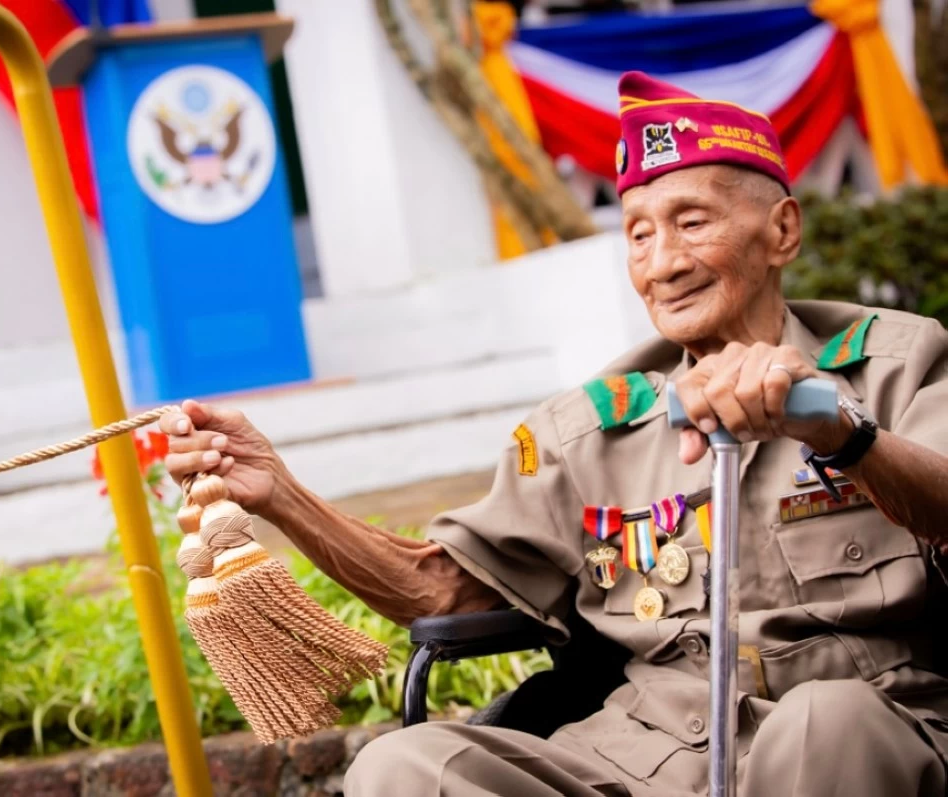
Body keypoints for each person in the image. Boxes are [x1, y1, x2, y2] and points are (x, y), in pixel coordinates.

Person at [161, 72, 948, 796]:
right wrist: (280, 492)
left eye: (692, 222)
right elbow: (443, 590)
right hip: (651, 753)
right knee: (402, 767)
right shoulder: (587, 430)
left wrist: (841, 431)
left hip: (857, 734)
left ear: (782, 230)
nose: (663, 263)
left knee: (821, 720)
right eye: (638, 234)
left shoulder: (899, 364)